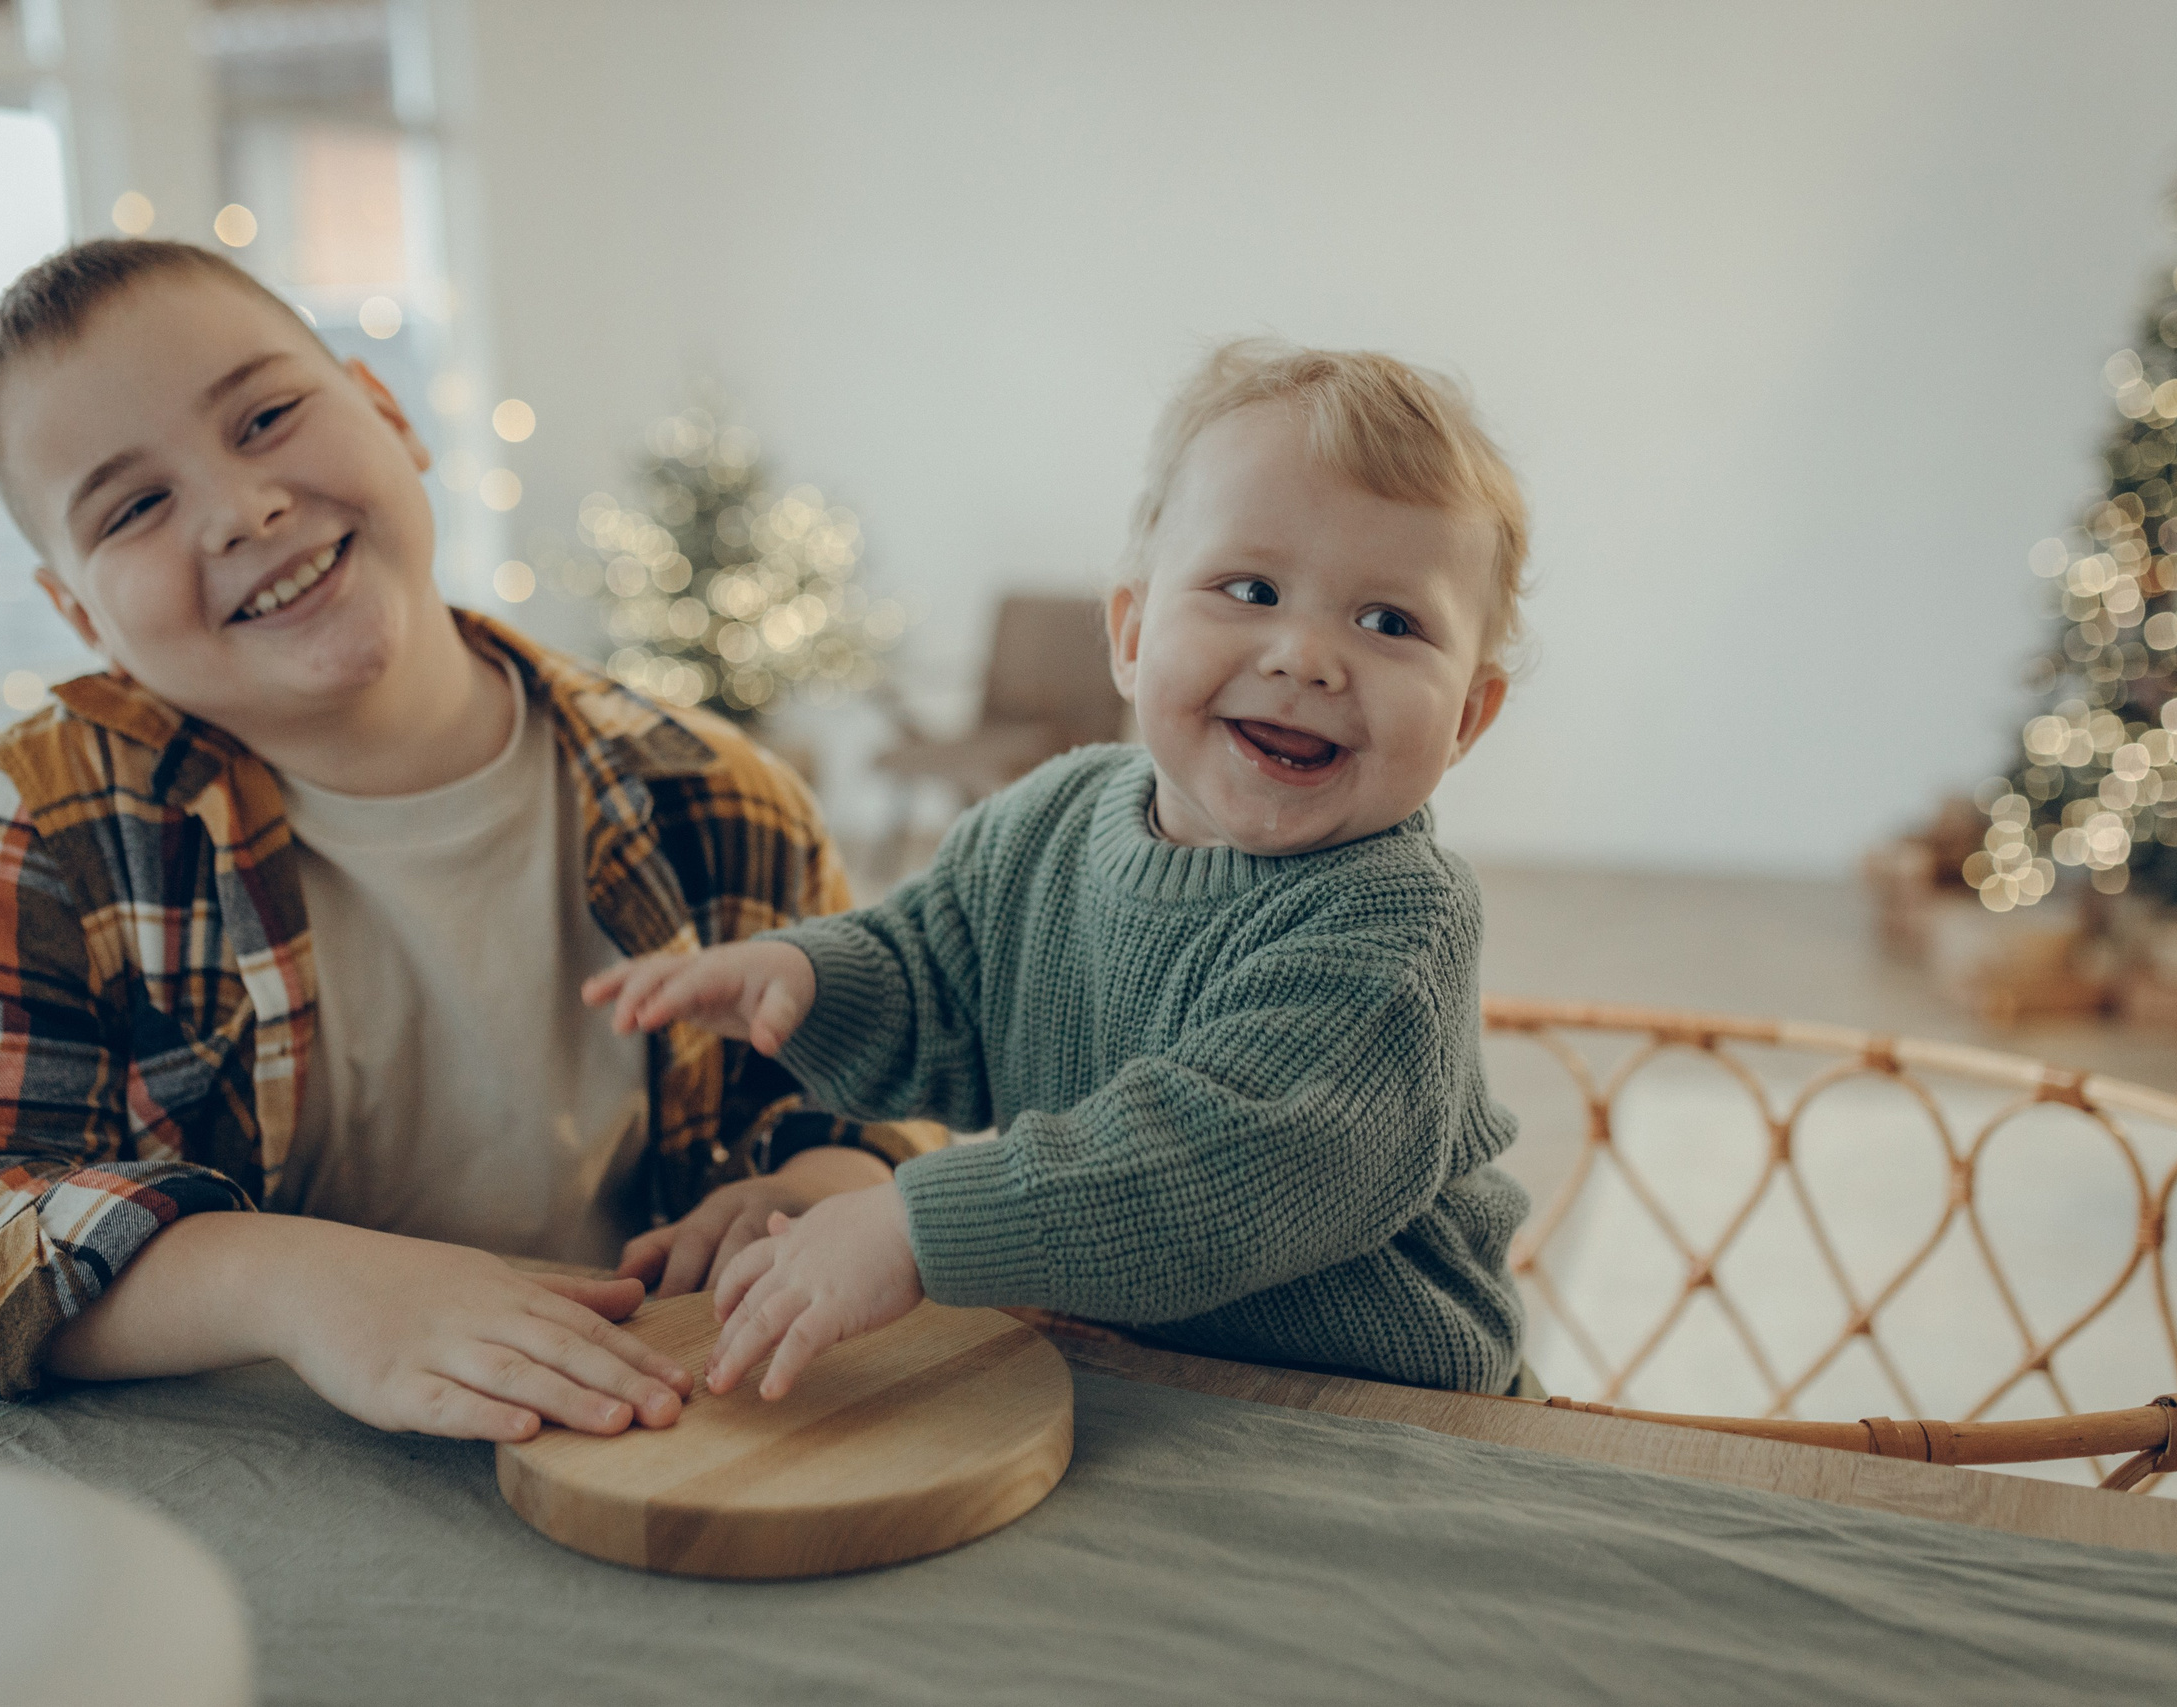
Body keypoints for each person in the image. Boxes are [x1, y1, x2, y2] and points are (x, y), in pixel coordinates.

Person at [0, 238, 937, 1442]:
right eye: (135, 506)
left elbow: (893, 1087)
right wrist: (289, 1282)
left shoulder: (717, 795)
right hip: (260, 1474)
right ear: (81, 614)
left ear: (388, 410)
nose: (241, 508)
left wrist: (828, 1184)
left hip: (652, 1443)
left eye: (263, 418)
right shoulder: (44, 818)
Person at [589, 339, 1533, 1402]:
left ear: (1466, 716)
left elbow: (1213, 1167)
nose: (1304, 657)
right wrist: (806, 979)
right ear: (1129, 634)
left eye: (1387, 622)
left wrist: (917, 1220)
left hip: (1380, 1417)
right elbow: (934, 970)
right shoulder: (1054, 814)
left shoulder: (1396, 922)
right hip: (1134, 1372)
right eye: (1251, 587)